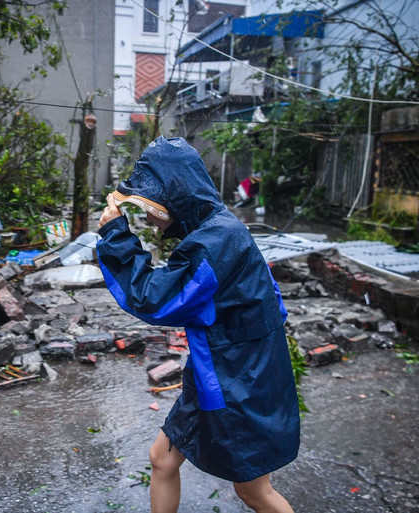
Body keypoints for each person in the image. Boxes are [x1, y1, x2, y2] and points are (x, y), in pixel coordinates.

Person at [96, 136, 299, 513]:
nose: (151, 218)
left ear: (173, 198)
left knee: (253, 490)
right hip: (222, 372)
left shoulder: (215, 241)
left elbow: (156, 299)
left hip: (240, 382)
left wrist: (115, 235)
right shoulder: (219, 230)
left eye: (150, 207)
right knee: (162, 459)